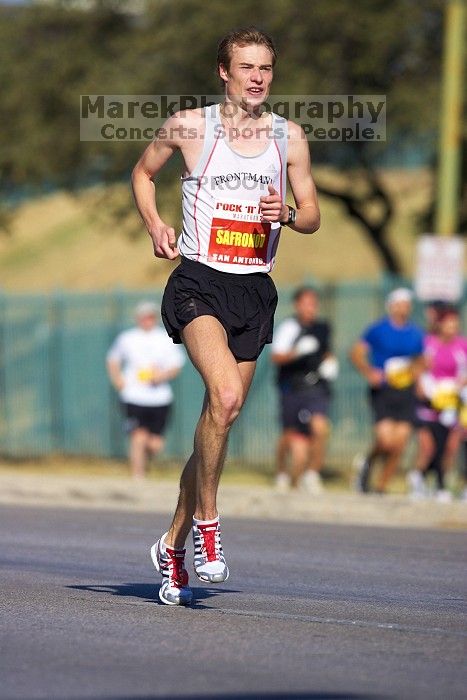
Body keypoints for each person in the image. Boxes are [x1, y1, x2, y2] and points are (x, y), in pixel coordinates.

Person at [131, 27, 320, 605]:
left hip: (253, 290)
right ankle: (209, 530)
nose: (258, 78)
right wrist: (157, 225)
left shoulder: (289, 138)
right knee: (227, 399)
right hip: (198, 282)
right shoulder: (191, 126)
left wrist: (287, 213)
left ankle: (172, 541)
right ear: (224, 72)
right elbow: (143, 174)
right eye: (247, 67)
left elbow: (312, 211)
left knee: (218, 424)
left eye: (266, 68)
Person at [350, 288, 424, 494]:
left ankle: (381, 485)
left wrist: (417, 375)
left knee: (399, 443)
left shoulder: (416, 333)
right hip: (383, 391)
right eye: (400, 304)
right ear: (391, 306)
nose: (404, 308)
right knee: (385, 440)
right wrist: (369, 372)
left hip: (405, 392)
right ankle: (368, 462)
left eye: (407, 304)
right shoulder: (378, 330)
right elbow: (356, 352)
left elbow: (422, 359)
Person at [106, 301, 185, 479]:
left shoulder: (165, 339)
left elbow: (176, 365)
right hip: (134, 396)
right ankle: (138, 475)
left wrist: (162, 376)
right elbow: (112, 359)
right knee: (138, 436)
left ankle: (144, 460)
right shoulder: (127, 338)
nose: (147, 320)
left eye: (150, 317)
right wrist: (117, 379)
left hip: (159, 398)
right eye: (143, 317)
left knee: (155, 444)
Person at [271, 286, 338, 494]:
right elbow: (277, 357)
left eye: (314, 304)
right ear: (297, 305)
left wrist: (330, 364)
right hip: (293, 387)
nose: (311, 308)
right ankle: (282, 472)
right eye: (306, 303)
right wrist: (296, 352)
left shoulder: (322, 328)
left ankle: (312, 474)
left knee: (319, 427)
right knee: (290, 434)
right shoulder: (289, 328)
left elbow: (326, 351)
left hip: (316, 387)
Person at [408, 306, 467, 501]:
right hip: (429, 405)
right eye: (448, 323)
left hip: (452, 405)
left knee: (450, 446)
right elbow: (417, 367)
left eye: (455, 323)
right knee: (428, 446)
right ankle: (418, 479)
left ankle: (442, 483)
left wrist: (460, 384)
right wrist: (421, 385)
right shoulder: (428, 343)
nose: (452, 327)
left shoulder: (462, 345)